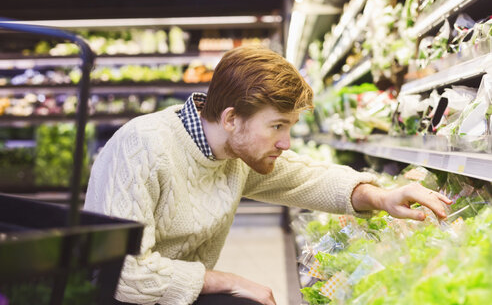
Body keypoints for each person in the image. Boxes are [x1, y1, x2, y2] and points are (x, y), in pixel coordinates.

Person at [84, 45, 451, 305]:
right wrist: (227, 281)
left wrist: (381, 196)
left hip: (174, 292)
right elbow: (122, 275)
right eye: (277, 126)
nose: (286, 142)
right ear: (231, 118)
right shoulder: (141, 148)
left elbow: (306, 177)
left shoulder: (235, 152)